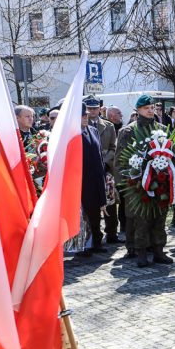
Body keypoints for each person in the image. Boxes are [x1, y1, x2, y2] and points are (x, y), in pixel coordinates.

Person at [115, 94, 165, 264]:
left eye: (153, 108)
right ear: (138, 110)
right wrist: (127, 183)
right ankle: (140, 251)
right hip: (136, 183)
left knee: (159, 216)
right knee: (139, 218)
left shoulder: (162, 129)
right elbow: (120, 160)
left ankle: (159, 250)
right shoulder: (127, 131)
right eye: (147, 108)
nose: (151, 111)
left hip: (159, 182)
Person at [84, 95, 120, 244]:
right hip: (90, 171)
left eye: (95, 108)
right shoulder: (82, 126)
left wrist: (104, 161)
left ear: (100, 109)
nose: (93, 111)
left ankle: (111, 233)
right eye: (90, 109)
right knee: (92, 204)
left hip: (106, 168)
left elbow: (113, 147)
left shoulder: (108, 125)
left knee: (110, 201)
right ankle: (94, 235)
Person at [79, 102, 108, 257]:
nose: (85, 118)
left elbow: (99, 155)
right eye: (82, 116)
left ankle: (96, 242)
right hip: (81, 181)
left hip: (96, 179)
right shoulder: (71, 134)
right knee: (83, 216)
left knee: (96, 212)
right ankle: (83, 245)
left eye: (85, 115)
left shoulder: (93, 130)